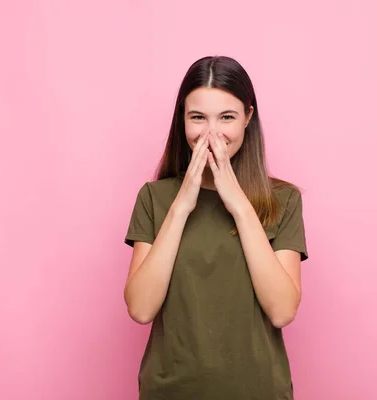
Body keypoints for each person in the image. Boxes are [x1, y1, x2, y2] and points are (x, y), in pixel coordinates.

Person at [123, 55, 309, 400]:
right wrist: (181, 206)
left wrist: (238, 203)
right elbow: (141, 309)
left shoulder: (285, 200)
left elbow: (283, 311)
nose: (211, 133)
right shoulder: (154, 198)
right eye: (198, 118)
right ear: (182, 120)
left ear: (248, 118)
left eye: (227, 117)